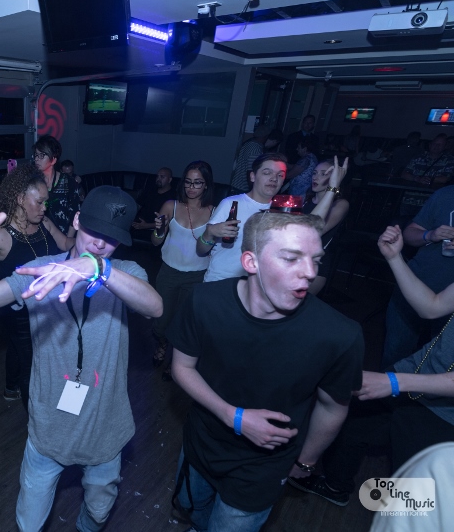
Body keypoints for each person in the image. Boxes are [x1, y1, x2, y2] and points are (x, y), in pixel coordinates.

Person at [0, 186, 162, 531]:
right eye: (94, 231)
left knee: (98, 513)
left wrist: (99, 269)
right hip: (48, 429)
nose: (100, 244)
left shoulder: (124, 271)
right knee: (29, 521)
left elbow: (154, 307)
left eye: (112, 239)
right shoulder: (40, 270)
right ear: (76, 220)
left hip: (105, 429)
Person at [168, 212, 364, 531]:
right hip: (201, 444)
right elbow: (182, 366)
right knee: (192, 509)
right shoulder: (204, 301)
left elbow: (332, 407)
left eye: (316, 260)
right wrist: (233, 416)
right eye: (291, 258)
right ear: (251, 262)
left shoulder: (339, 335)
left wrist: (306, 461)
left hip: (265, 466)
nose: (310, 272)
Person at [288, 225, 454, 508]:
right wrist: (394, 258)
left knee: (414, 499)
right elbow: (432, 306)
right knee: (354, 423)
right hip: (415, 375)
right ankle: (336, 486)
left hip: (442, 414)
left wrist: (394, 383)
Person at [0, 164, 72, 405]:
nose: (44, 208)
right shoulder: (2, 236)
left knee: (19, 350)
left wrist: (87, 234)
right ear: (19, 199)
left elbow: (66, 245)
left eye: (46, 202)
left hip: (48, 306)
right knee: (32, 363)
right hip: (19, 315)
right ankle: (34, 415)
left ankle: (11, 388)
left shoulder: (44, 223)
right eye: (39, 202)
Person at [200, 153, 346, 283]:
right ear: (253, 176)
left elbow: (311, 229)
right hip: (221, 282)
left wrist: (332, 188)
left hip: (257, 289)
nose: (274, 178)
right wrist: (209, 233)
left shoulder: (284, 209)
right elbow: (201, 250)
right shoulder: (231, 203)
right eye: (267, 173)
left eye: (280, 175)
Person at [150, 161, 214, 379]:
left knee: (184, 322)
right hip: (169, 272)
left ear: (206, 185)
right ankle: (161, 345)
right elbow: (156, 241)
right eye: (188, 182)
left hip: (197, 276)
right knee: (162, 319)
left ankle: (175, 361)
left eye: (197, 183)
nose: (191, 187)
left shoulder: (214, 212)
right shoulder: (171, 206)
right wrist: (159, 230)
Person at [382, 184, 454, 369]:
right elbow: (409, 234)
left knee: (438, 364)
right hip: (414, 283)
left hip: (448, 301)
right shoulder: (445, 195)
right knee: (395, 353)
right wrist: (430, 235)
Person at [302, 159, 350, 295]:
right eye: (315, 173)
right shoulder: (304, 201)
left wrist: (333, 187)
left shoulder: (340, 204)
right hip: (296, 259)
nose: (316, 177)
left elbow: (314, 231)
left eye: (323, 174)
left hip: (316, 264)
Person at [34, 135, 80, 238]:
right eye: (36, 155)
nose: (37, 159)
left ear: (53, 159)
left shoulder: (68, 182)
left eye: (42, 155)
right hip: (41, 237)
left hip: (65, 236)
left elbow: (74, 213)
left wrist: (67, 241)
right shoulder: (33, 183)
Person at [131, 167, 177, 237]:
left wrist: (147, 225)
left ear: (169, 180)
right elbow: (137, 206)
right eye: (157, 176)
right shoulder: (149, 191)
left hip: (157, 230)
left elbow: (170, 221)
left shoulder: (174, 197)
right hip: (138, 226)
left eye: (162, 177)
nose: (158, 179)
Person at [230, 125, 274, 195]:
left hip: (237, 185)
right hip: (242, 188)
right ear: (266, 136)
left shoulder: (249, 144)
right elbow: (251, 171)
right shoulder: (255, 148)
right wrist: (253, 191)